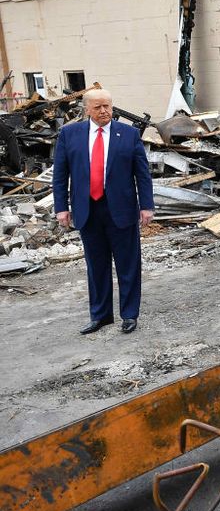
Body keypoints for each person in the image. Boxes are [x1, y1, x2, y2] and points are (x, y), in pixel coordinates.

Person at [52, 89, 154, 335]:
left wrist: (147, 206)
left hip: (121, 209)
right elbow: (60, 175)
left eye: (107, 106)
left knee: (128, 264)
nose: (104, 111)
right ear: (86, 109)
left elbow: (142, 174)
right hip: (87, 210)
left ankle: (129, 315)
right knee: (96, 266)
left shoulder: (128, 134)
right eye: (98, 107)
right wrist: (61, 208)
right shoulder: (69, 134)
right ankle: (100, 315)